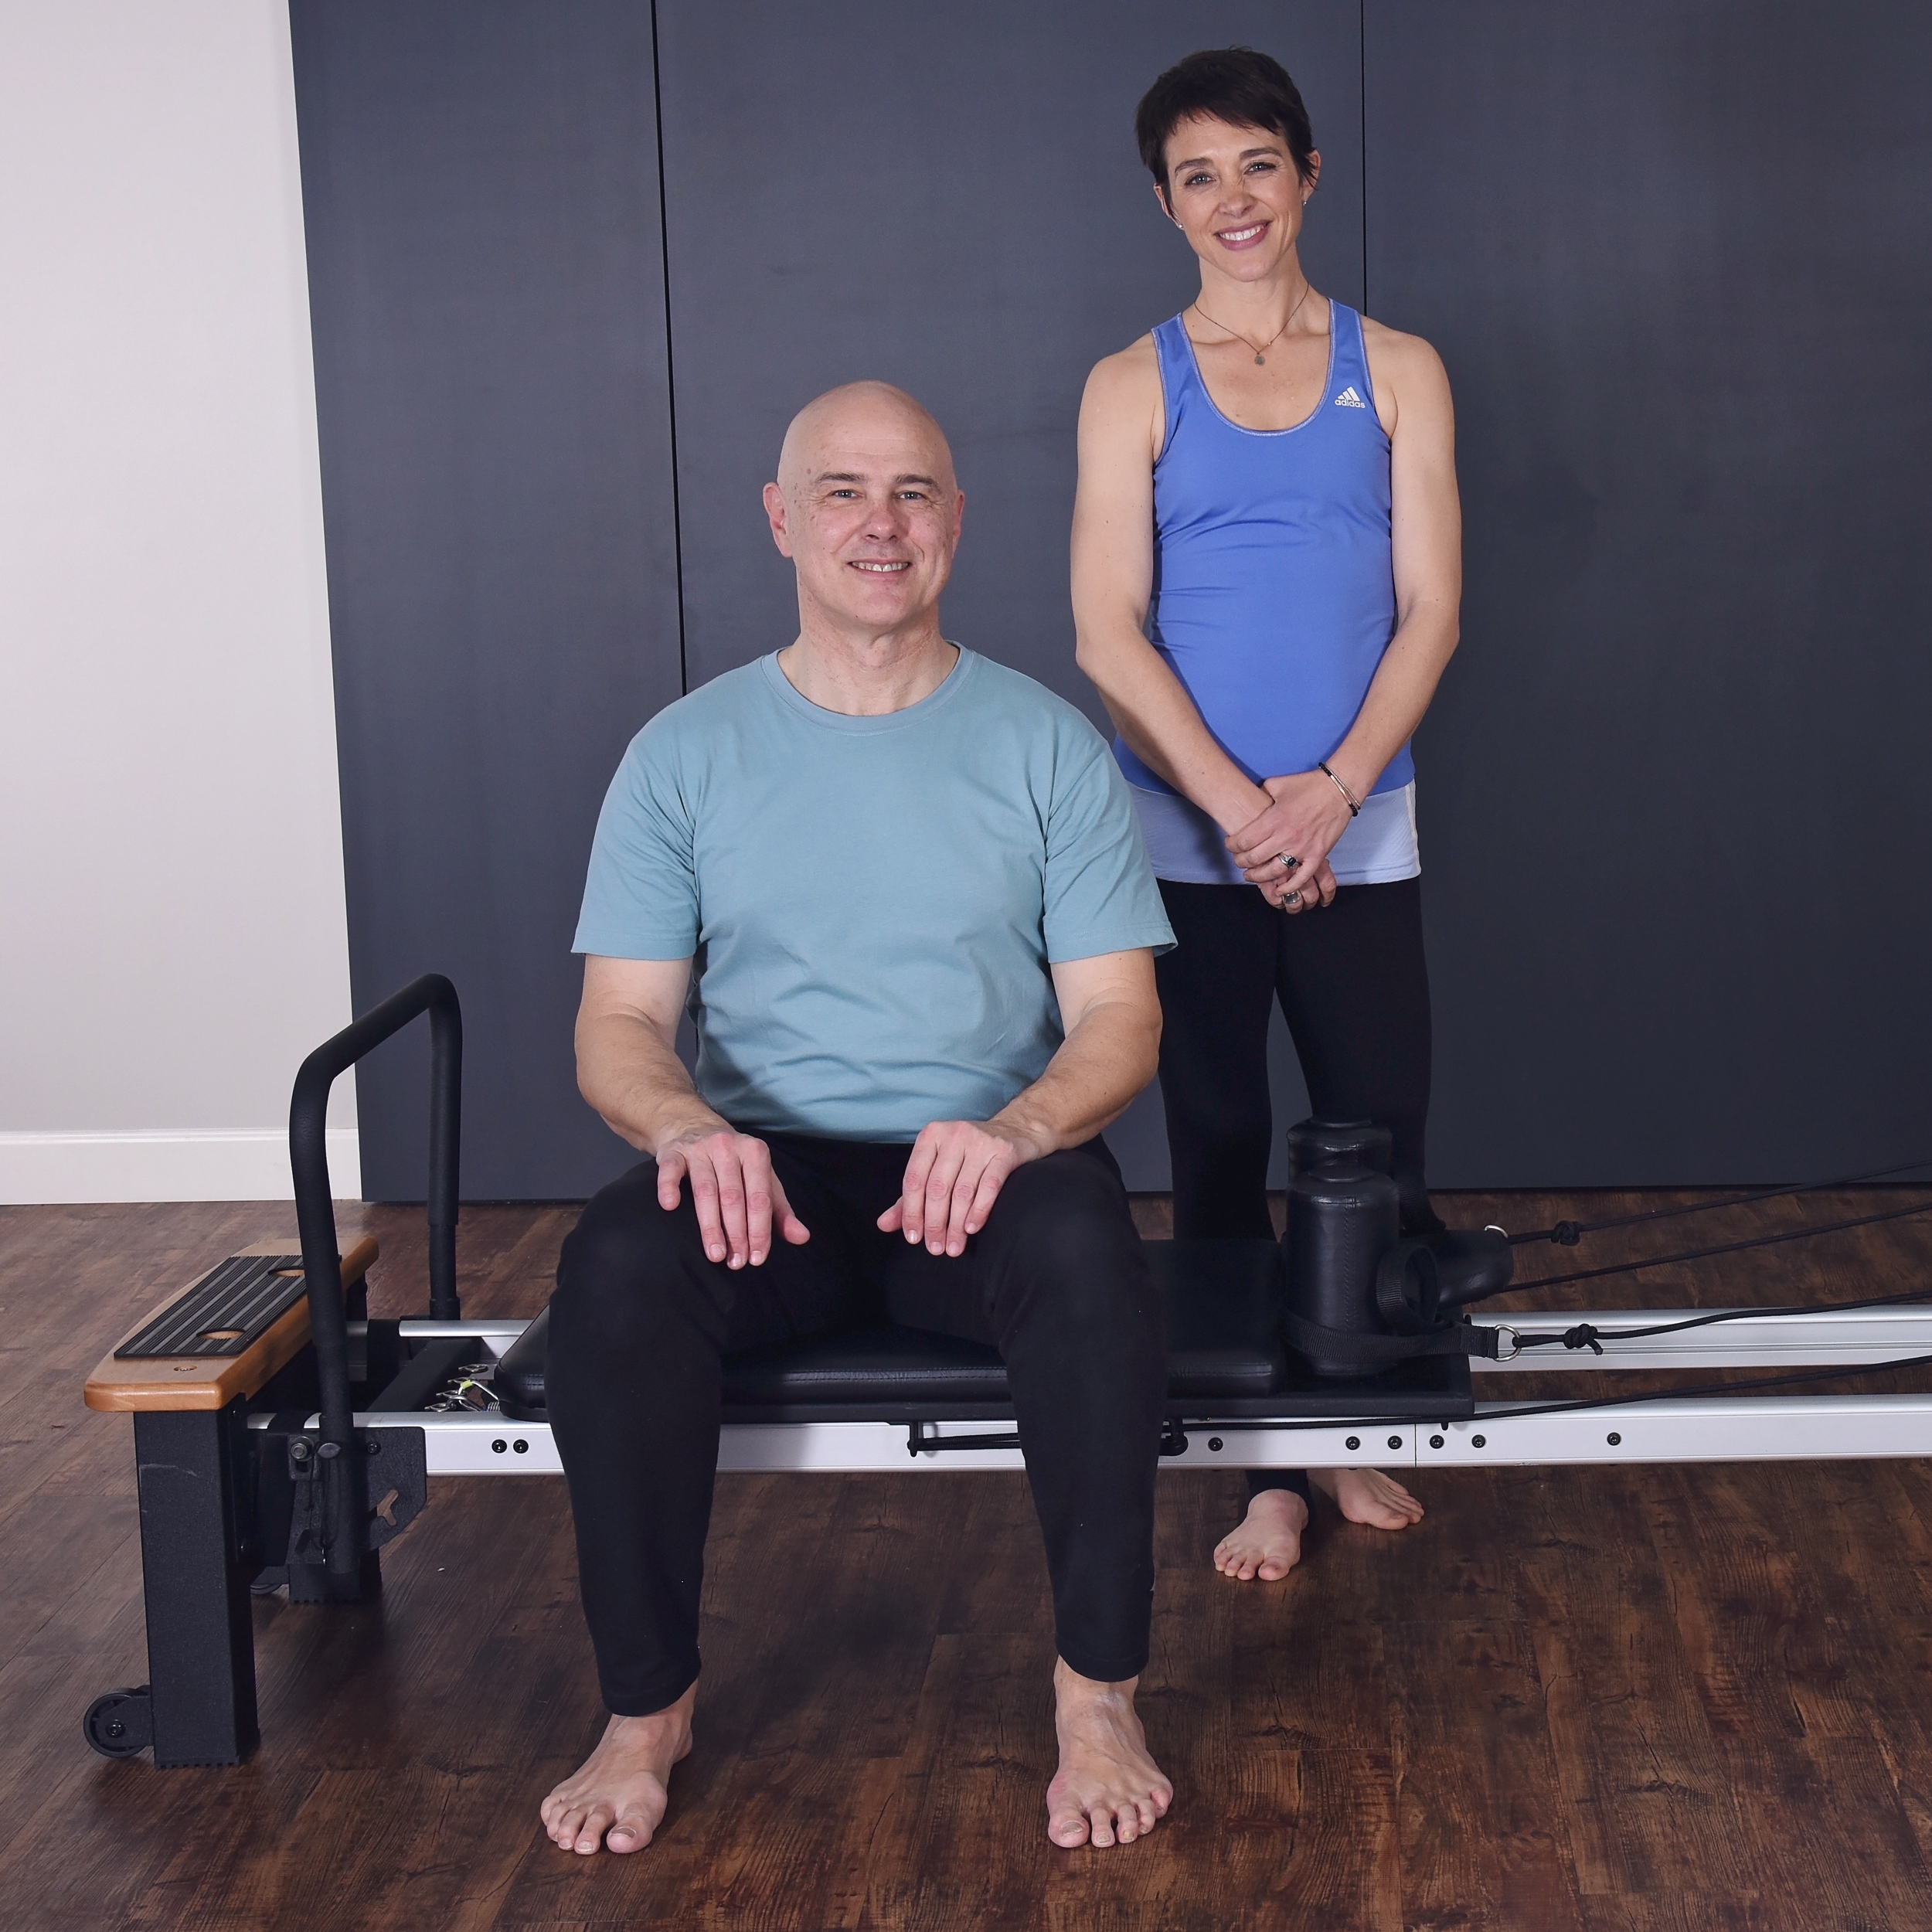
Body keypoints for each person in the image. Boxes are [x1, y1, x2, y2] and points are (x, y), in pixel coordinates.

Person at [539, 381, 1180, 1857]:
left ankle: (1098, 1697)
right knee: (616, 1267)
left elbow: (1119, 1023)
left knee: (1089, 1260)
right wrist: (690, 1135)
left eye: (911, 494)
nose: (879, 525)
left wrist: (1017, 1132)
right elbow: (620, 1026)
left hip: (985, 1168)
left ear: (957, 521)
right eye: (842, 491)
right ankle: (646, 1712)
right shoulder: (684, 754)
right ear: (782, 519)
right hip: (771, 1179)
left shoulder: (1046, 746)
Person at [1071, 47, 1462, 1586]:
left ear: (1302, 176)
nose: (1230, 200)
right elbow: (1109, 630)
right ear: (1163, 203)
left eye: (1254, 165)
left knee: (1377, 1129)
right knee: (1221, 1138)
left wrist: (1329, 792)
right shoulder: (1128, 384)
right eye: (1195, 175)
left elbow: (1429, 610)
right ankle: (1269, 1468)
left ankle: (1345, 1411)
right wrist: (1241, 810)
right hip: (1189, 839)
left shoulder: (1400, 367)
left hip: (1356, 822)